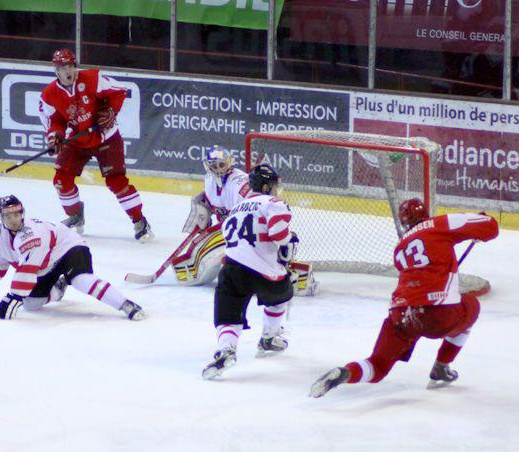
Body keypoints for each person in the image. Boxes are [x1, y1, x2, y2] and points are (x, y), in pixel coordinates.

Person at [309, 199, 498, 397]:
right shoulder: (441, 223)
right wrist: (478, 224)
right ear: (426, 213)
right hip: (437, 314)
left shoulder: (400, 248)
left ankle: (346, 373)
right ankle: (442, 365)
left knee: (377, 366)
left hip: (400, 313)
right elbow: (491, 227)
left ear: (403, 222)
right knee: (471, 304)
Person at [0, 195, 146, 321]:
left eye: (17, 214)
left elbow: (27, 270)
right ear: (0, 217)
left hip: (69, 248)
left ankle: (125, 305)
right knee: (31, 304)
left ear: (22, 213)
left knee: (81, 280)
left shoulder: (31, 234)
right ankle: (59, 287)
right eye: (8, 215)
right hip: (45, 265)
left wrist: (13, 297)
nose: (13, 219)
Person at [38, 48, 153, 242]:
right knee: (61, 180)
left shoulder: (93, 78)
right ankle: (76, 215)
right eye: (62, 67)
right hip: (77, 140)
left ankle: (139, 220)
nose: (67, 71)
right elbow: (54, 119)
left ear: (75, 66)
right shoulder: (49, 94)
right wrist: (55, 136)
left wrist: (109, 111)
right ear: (55, 70)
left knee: (116, 181)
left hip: (105, 137)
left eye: (70, 66)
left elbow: (119, 92)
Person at [174, 145, 316, 296]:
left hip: (243, 234)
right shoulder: (209, 179)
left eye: (222, 164)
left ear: (230, 162)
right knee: (196, 271)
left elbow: (257, 211)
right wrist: (205, 206)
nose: (218, 169)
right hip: (230, 232)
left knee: (274, 245)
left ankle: (284, 271)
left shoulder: (240, 182)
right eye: (214, 165)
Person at [202, 164, 299, 380]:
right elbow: (278, 233)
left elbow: (227, 233)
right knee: (281, 296)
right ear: (266, 187)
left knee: (228, 315)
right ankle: (269, 337)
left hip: (231, 268)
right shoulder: (274, 203)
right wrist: (289, 242)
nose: (276, 190)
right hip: (264, 271)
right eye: (273, 186)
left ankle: (227, 349)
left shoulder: (237, 208)